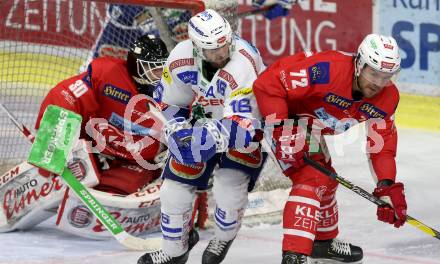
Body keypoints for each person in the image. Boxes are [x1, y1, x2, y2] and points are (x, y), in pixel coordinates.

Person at [253, 34, 407, 264]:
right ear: (359, 64)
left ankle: (322, 245)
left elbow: (382, 146)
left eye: (386, 76)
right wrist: (281, 130)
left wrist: (386, 184)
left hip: (308, 124)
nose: (378, 82)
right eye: (373, 73)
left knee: (326, 180)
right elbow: (268, 85)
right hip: (277, 112)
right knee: (312, 177)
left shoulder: (387, 97)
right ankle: (295, 255)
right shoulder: (326, 70)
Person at [137, 9, 266, 264]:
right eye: (212, 49)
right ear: (196, 47)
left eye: (225, 44)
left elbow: (244, 125)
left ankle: (224, 236)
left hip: (243, 129)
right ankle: (175, 251)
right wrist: (176, 129)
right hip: (202, 122)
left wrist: (205, 138)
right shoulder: (180, 58)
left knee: (229, 189)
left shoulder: (243, 62)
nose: (221, 53)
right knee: (173, 190)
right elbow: (168, 103)